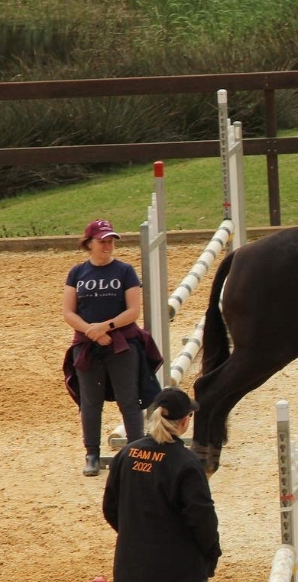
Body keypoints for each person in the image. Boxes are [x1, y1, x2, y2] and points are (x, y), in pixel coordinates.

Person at [62, 218, 160, 476]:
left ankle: (137, 451)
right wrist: (92, 332)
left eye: (110, 242)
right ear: (89, 243)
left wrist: (106, 327)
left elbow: (133, 311)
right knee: (90, 402)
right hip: (87, 344)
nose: (107, 246)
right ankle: (92, 453)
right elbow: (68, 312)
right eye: (101, 241)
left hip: (121, 344)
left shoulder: (125, 271)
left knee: (129, 399)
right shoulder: (77, 273)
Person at [103, 387, 221, 582]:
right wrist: (212, 553)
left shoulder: (126, 454)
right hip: (178, 569)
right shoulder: (187, 463)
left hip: (131, 566)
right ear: (184, 421)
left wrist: (136, 536)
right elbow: (202, 518)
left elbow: (110, 507)